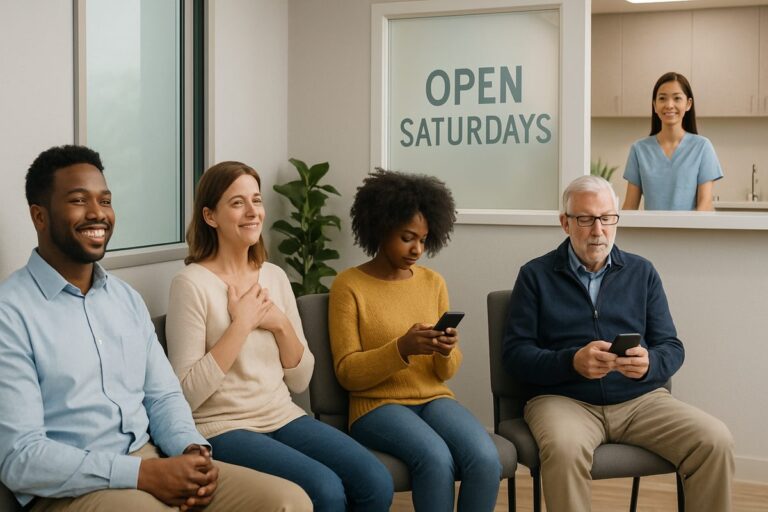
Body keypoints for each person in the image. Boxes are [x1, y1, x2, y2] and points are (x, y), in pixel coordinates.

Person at [0, 145, 312, 512]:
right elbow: (22, 458)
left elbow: (164, 398)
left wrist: (192, 451)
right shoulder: (11, 313)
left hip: (154, 459)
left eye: (105, 200)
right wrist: (140, 474)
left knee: (288, 501)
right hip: (71, 490)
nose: (97, 213)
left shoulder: (125, 300)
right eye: (79, 200)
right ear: (39, 216)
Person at [165, 161, 393, 512]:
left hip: (282, 414)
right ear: (210, 216)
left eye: (256, 200)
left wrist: (280, 324)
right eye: (237, 202)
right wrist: (240, 325)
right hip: (222, 428)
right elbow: (185, 396)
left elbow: (300, 380)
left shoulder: (273, 277)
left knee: (375, 480)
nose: (252, 211)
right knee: (326, 490)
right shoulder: (190, 284)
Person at [503, 175, 734, 512]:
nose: (598, 230)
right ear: (565, 223)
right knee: (565, 449)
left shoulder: (642, 272)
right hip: (563, 400)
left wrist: (649, 364)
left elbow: (671, 345)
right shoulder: (535, 276)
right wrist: (571, 362)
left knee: (715, 440)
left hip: (641, 401)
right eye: (585, 219)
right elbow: (515, 356)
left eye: (607, 218)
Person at [329, 169, 502, 512]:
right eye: (408, 237)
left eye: (423, 240)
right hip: (376, 405)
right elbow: (347, 373)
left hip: (433, 397)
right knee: (435, 459)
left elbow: (444, 374)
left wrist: (446, 350)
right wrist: (401, 349)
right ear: (381, 228)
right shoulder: (349, 286)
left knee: (485, 458)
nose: (417, 249)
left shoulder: (432, 282)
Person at [623, 71, 723, 211]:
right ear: (654, 105)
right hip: (651, 232)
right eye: (662, 98)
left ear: (688, 104)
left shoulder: (702, 147)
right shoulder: (639, 149)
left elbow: (705, 204)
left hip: (690, 231)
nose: (669, 105)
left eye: (677, 98)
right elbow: (630, 206)